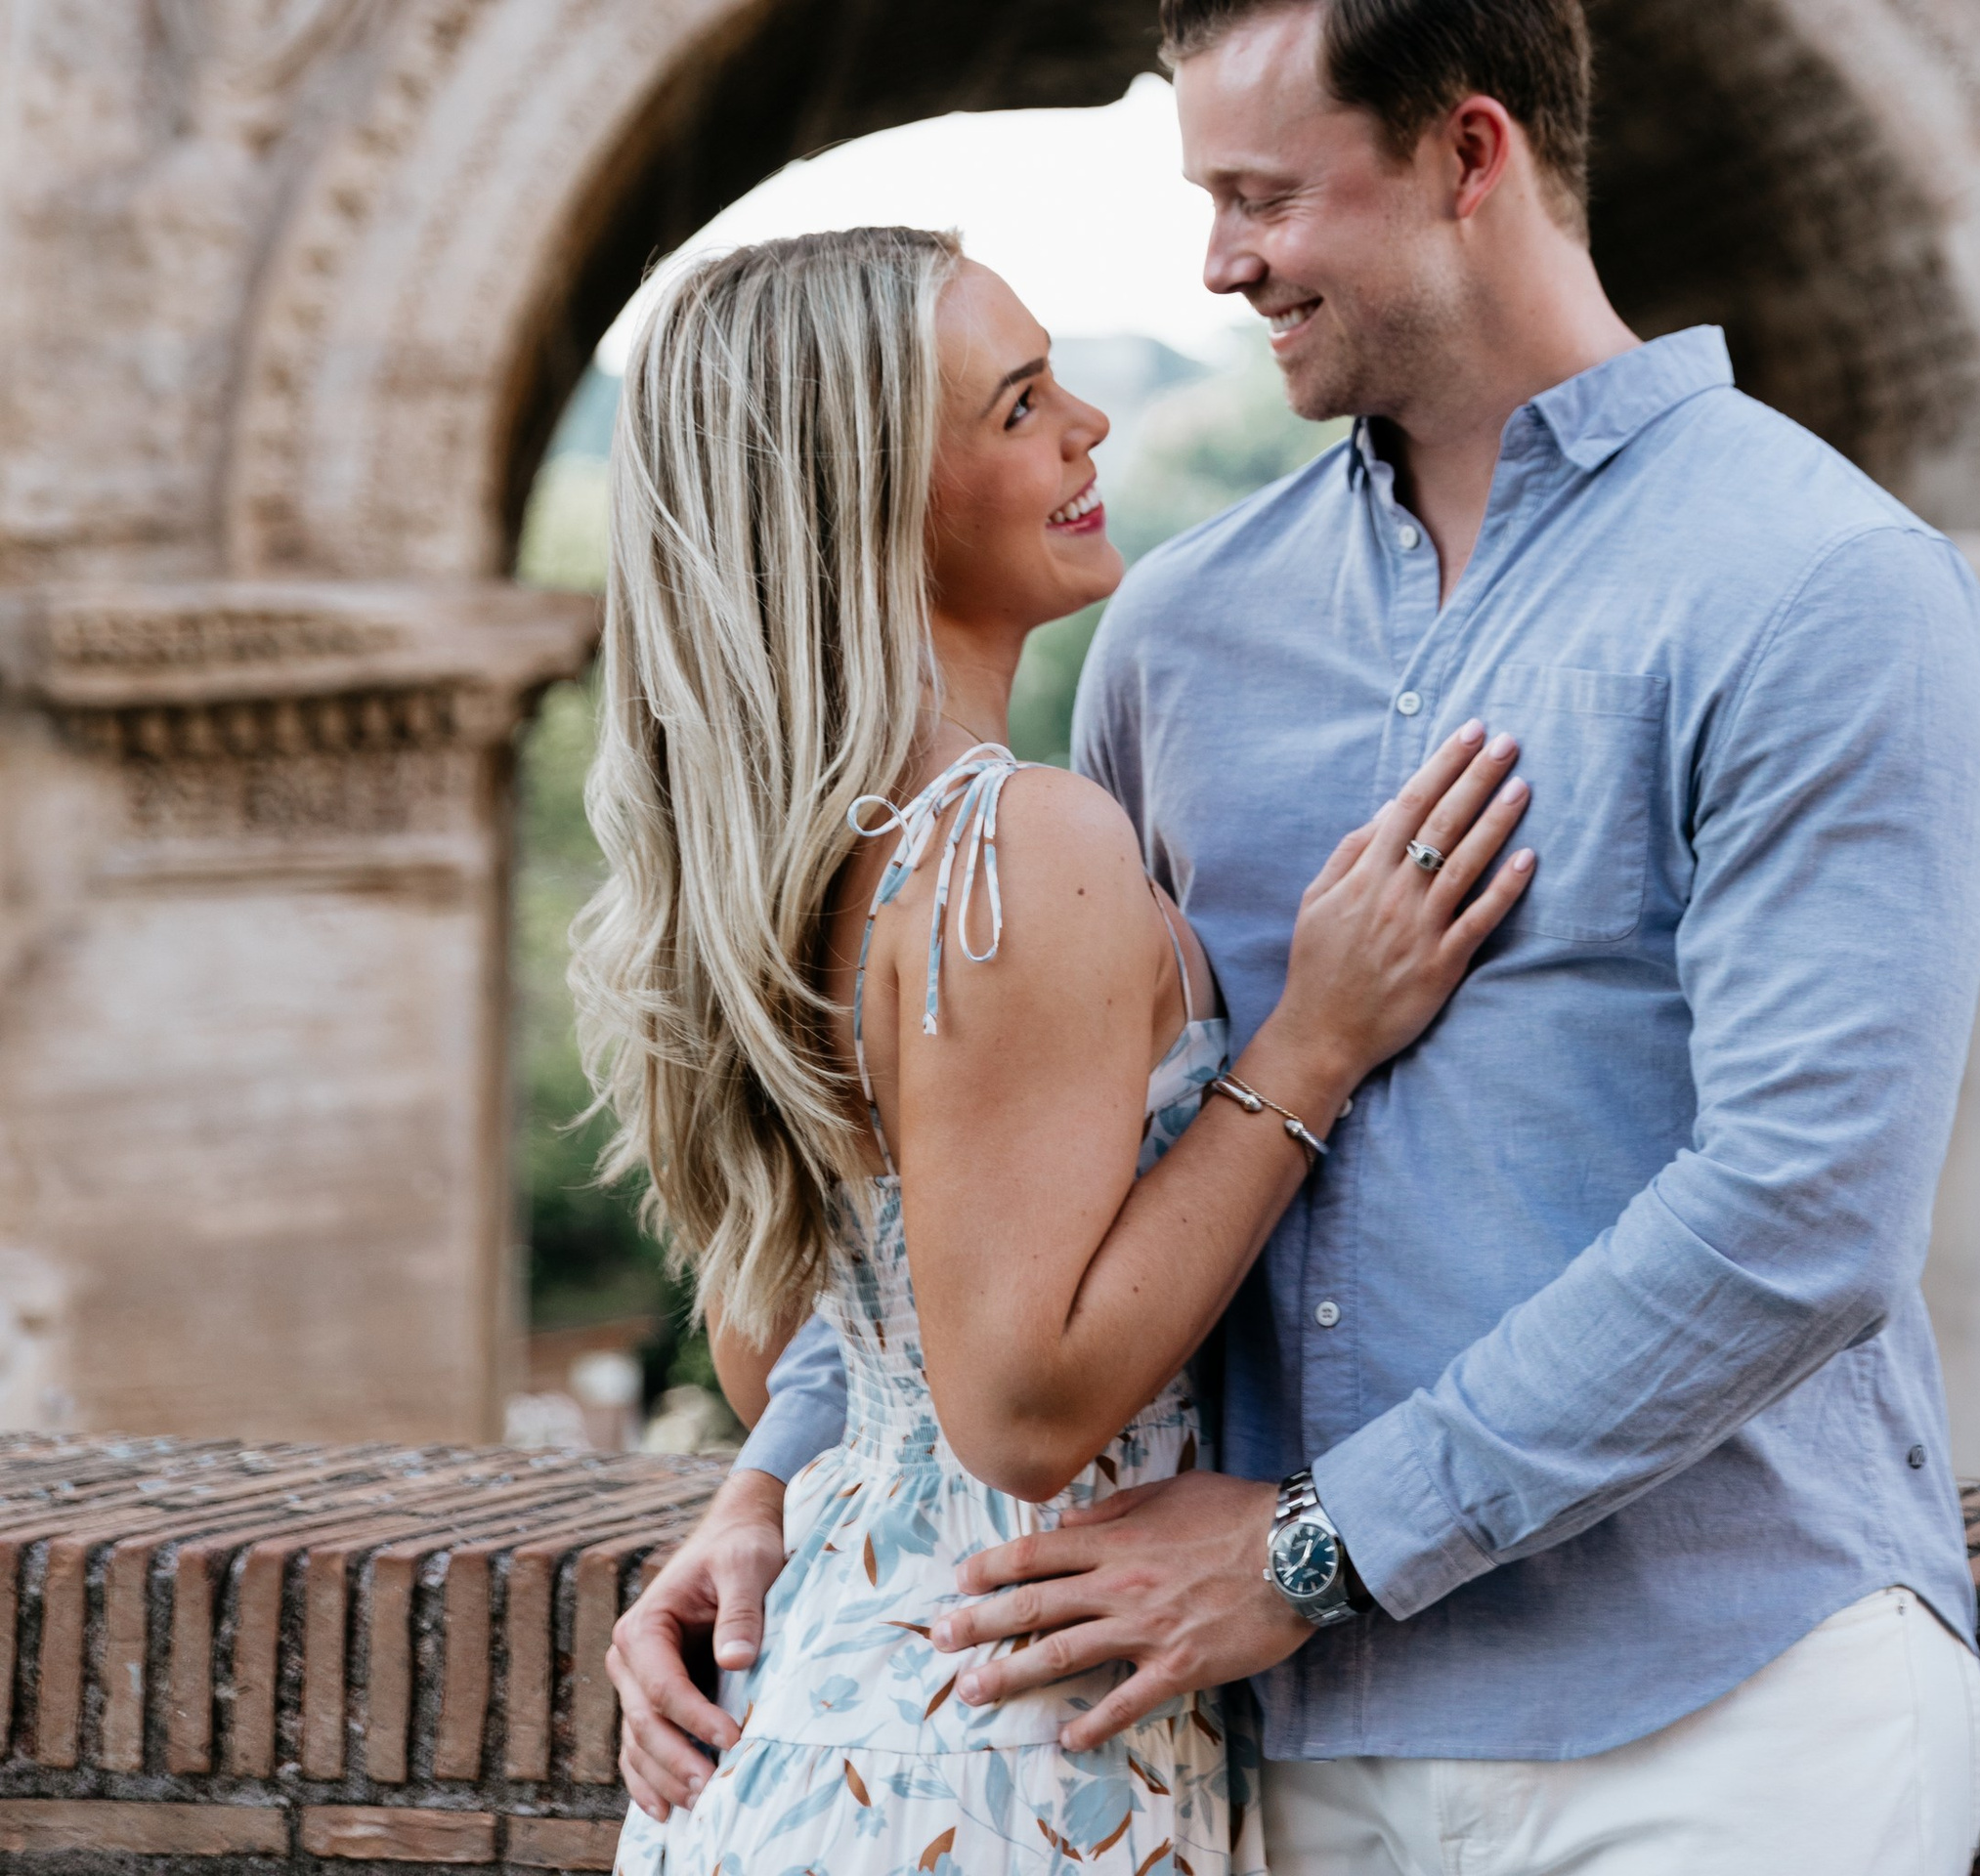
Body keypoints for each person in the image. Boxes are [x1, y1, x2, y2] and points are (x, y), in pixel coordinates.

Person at [611, 0, 1980, 1876]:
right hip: (1282, 1743)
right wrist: (772, 1474)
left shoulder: (1821, 588)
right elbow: (1015, 1157)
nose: (1216, 265)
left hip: (1724, 1710)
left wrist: (1317, 1546)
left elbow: (1801, 1209)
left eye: (1263, 196)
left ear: (1467, 156)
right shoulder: (1179, 633)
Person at [581, 220, 1533, 1876]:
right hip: (1009, 1757)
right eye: (1019, 406)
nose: (1088, 424)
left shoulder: (790, 871)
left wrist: (754, 1487)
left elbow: (780, 1354)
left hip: (824, 1727)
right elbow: (1019, 1410)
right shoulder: (1017, 842)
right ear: (873, 499)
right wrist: (1312, 1041)